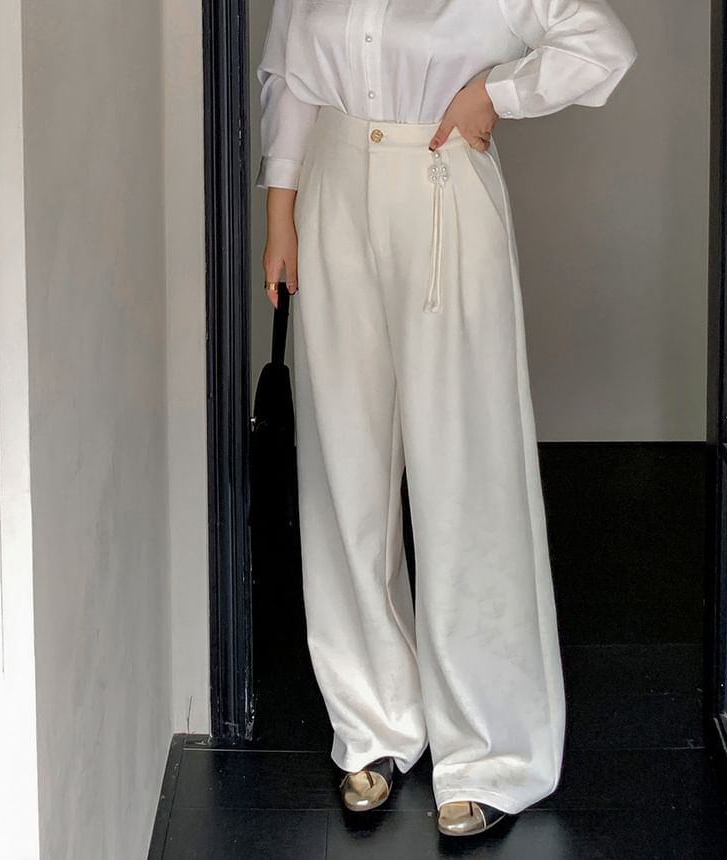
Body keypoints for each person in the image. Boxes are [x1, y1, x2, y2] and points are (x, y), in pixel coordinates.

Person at [256, 0, 637, 839]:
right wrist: (281, 208)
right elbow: (290, 73)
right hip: (330, 192)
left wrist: (498, 93)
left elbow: (601, 43)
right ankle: (372, 720)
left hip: (440, 188)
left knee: (467, 472)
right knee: (343, 466)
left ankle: (491, 747)